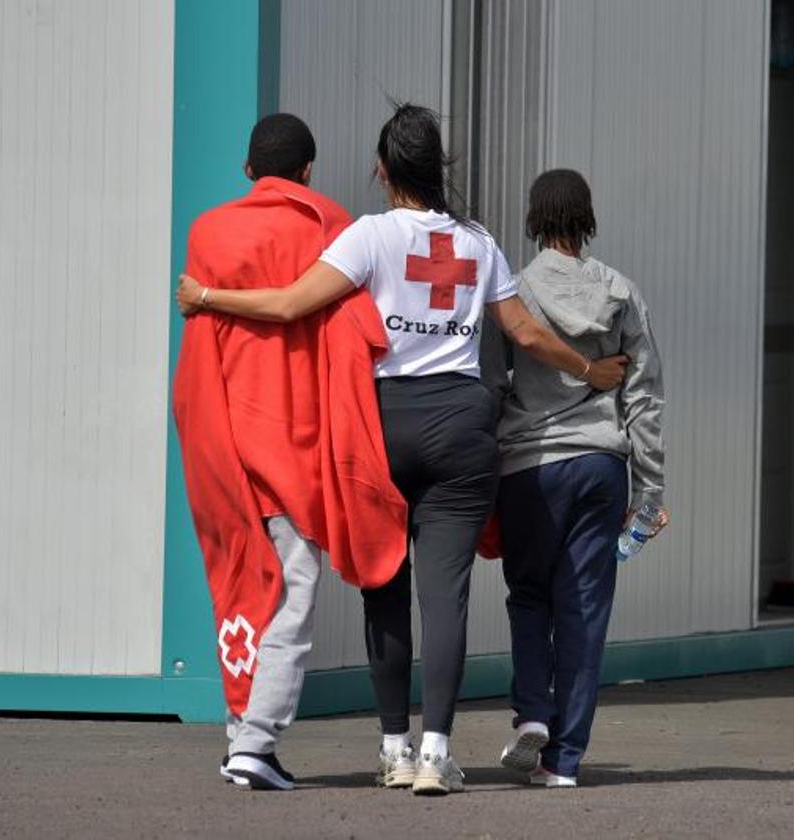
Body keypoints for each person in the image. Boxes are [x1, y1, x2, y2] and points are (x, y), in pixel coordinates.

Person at [176, 105, 627, 796]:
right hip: (461, 426)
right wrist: (591, 371)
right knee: (443, 596)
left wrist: (207, 295)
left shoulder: (368, 236)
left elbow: (292, 304)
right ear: (436, 166)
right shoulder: (478, 242)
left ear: (383, 171)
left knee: (383, 585)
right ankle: (435, 754)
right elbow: (527, 336)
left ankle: (393, 746)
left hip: (381, 427)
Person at [172, 114, 407, 791]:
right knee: (293, 587)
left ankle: (238, 729)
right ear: (307, 172)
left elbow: (199, 337)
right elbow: (360, 331)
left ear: (249, 170)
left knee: (242, 577)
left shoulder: (208, 231)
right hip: (296, 437)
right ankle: (255, 742)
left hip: (223, 431)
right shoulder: (332, 225)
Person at [486, 169, 667, 788]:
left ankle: (533, 712)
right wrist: (650, 490)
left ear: (534, 219)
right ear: (587, 218)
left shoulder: (512, 292)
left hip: (530, 469)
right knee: (584, 609)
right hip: (599, 466)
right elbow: (644, 398)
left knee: (530, 595)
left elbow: (492, 382)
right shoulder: (620, 291)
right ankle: (563, 761)